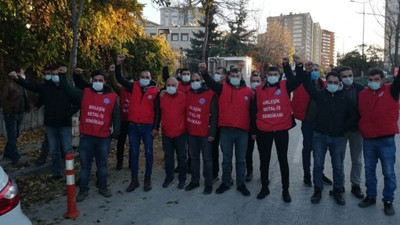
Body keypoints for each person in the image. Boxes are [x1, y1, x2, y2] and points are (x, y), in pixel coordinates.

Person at [59, 66, 120, 202]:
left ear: (105, 82)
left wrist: (116, 133)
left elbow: (116, 116)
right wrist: (63, 76)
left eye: (100, 80)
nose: (98, 82)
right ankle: (83, 189)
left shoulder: (111, 97)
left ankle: (102, 186)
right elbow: (69, 90)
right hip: (86, 137)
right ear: (92, 81)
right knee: (85, 165)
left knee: (102, 164)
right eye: (95, 80)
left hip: (103, 137)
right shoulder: (85, 93)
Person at [250, 56, 304, 202]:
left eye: (275, 75)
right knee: (264, 160)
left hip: (281, 130)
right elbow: (255, 110)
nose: (272, 77)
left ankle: (285, 190)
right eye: (270, 75)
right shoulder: (259, 90)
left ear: (279, 76)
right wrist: (254, 131)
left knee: (282, 160)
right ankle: (264, 187)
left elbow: (299, 80)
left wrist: (294, 65)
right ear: (265, 76)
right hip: (264, 130)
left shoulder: (285, 86)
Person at [9, 67, 78, 179]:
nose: (55, 76)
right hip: (51, 124)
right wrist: (18, 79)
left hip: (65, 124)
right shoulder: (46, 87)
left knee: (67, 150)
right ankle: (57, 173)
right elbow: (31, 86)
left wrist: (69, 113)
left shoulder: (67, 88)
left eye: (57, 74)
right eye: (53, 74)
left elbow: (77, 102)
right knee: (54, 151)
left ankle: (70, 174)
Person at [303, 71, 357, 206]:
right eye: (330, 82)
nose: (332, 85)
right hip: (319, 136)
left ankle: (337, 190)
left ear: (339, 84)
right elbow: (307, 86)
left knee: (338, 166)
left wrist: (344, 127)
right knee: (318, 165)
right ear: (326, 83)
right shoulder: (320, 95)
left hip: (337, 137)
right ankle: (318, 190)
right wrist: (303, 70)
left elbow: (355, 115)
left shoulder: (344, 98)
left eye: (335, 83)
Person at [202, 63, 253, 196]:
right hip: (226, 131)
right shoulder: (222, 88)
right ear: (228, 77)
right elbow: (210, 82)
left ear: (241, 77)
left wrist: (253, 131)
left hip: (242, 131)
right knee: (226, 159)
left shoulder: (248, 92)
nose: (235, 77)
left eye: (237, 76)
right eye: (233, 76)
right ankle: (226, 182)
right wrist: (204, 72)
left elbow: (253, 112)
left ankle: (241, 184)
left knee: (241, 160)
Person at [357, 69, 400, 216]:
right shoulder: (362, 95)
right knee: (369, 171)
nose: (372, 82)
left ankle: (388, 201)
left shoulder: (391, 90)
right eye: (370, 79)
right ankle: (370, 196)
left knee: (388, 172)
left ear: (383, 80)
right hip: (368, 139)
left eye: (376, 79)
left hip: (386, 139)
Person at [115, 54, 160, 192]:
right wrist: (118, 65)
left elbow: (158, 111)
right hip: (133, 126)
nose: (145, 79)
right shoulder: (132, 86)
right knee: (133, 153)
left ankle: (147, 178)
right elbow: (120, 78)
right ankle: (134, 180)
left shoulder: (155, 91)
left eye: (147, 77)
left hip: (147, 127)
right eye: (142, 77)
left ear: (151, 78)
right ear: (139, 78)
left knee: (148, 153)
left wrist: (156, 128)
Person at [290, 63, 333, 186]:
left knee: (320, 150)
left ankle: (320, 173)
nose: (315, 72)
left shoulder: (324, 85)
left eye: (316, 69)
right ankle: (307, 174)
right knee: (307, 147)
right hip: (308, 121)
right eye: (312, 70)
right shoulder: (304, 84)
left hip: (321, 123)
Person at [185, 72, 218, 194]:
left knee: (207, 159)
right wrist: (163, 91)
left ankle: (208, 183)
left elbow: (214, 116)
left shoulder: (210, 94)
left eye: (197, 80)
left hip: (205, 133)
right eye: (192, 81)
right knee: (193, 158)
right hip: (192, 131)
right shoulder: (187, 92)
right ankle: (194, 180)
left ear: (201, 81)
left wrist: (212, 133)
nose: (194, 82)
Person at [155, 77, 188, 189]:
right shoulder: (162, 97)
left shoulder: (184, 97)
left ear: (177, 86)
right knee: (168, 157)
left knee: (182, 157)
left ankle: (182, 179)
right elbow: (157, 112)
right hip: (166, 133)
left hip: (181, 133)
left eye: (173, 85)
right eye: (168, 85)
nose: (171, 87)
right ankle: (169, 177)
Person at [337, 66, 365, 199]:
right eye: (344, 76)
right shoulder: (337, 89)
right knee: (339, 159)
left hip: (357, 130)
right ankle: (339, 184)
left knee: (357, 160)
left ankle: (356, 185)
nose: (348, 78)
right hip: (340, 130)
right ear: (340, 78)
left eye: (350, 75)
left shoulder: (360, 89)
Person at [1, 68, 29, 165]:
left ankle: (7, 153)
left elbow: (24, 98)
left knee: (15, 134)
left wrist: (26, 108)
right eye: (22, 72)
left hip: (19, 112)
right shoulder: (9, 84)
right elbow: (3, 99)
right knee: (12, 134)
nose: (23, 74)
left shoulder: (21, 85)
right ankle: (15, 156)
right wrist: (8, 110)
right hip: (11, 113)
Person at [211, 66, 228, 183]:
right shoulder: (211, 88)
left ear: (224, 76)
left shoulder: (227, 88)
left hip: (225, 123)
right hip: (214, 124)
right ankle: (214, 173)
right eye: (215, 73)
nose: (216, 75)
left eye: (219, 73)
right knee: (213, 150)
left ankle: (227, 177)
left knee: (226, 153)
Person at [245, 74, 262, 182]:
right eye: (253, 81)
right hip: (248, 128)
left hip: (261, 129)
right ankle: (249, 171)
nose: (255, 83)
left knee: (263, 153)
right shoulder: (248, 94)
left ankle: (263, 173)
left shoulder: (264, 93)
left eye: (257, 81)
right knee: (248, 152)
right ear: (250, 82)